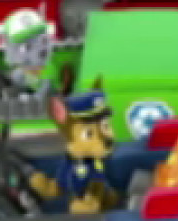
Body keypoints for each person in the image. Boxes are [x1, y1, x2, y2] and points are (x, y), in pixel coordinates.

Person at [28, 84, 128, 213]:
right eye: (89, 134)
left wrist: (90, 199)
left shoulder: (94, 164)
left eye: (106, 126)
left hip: (90, 194)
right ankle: (51, 189)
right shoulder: (72, 160)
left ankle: (93, 202)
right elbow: (65, 176)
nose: (107, 137)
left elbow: (96, 183)